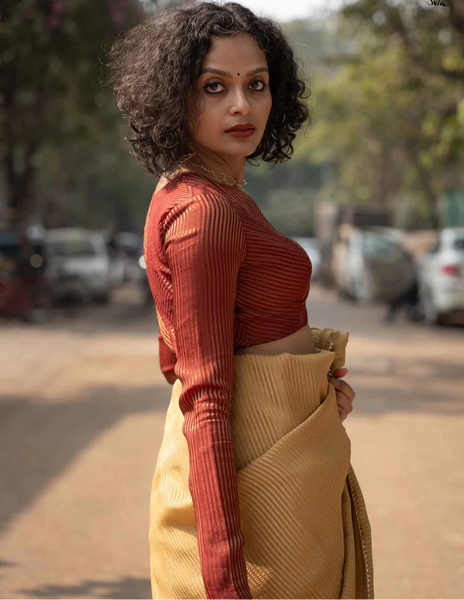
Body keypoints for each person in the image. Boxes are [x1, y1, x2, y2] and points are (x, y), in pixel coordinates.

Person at [108, 2, 374, 599]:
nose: (241, 106)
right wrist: (226, 582)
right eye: (214, 87)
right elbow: (203, 395)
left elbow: (173, 355)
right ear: (175, 98)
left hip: (281, 461)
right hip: (259, 502)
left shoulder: (195, 192)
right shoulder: (205, 212)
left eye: (256, 85)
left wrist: (303, 398)